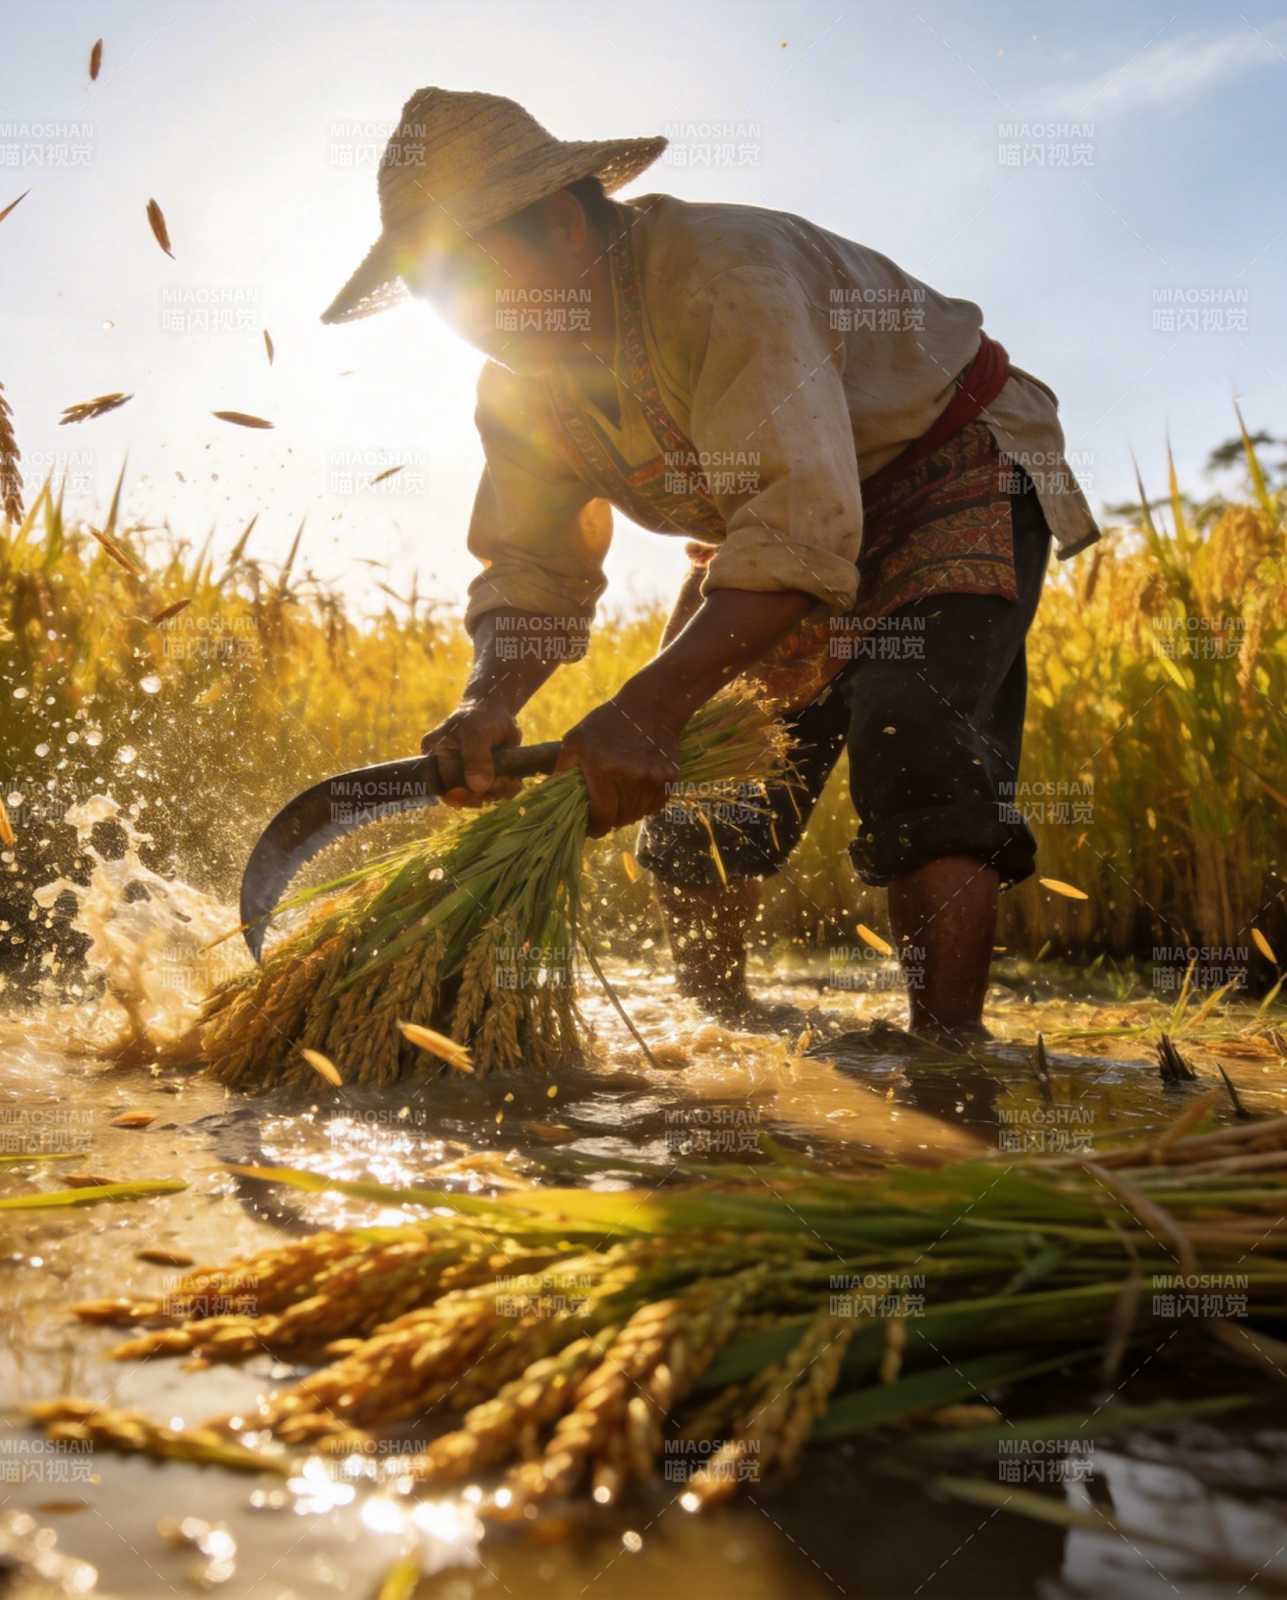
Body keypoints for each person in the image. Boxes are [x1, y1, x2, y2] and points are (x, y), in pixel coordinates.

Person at [320, 88, 1099, 1047]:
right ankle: (719, 1028)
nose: (462, 321)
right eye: (435, 293)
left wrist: (648, 704)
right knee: (698, 789)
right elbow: (533, 565)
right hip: (772, 529)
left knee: (917, 741)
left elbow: (795, 514)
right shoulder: (519, 384)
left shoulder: (724, 272)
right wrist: (491, 700)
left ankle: (948, 1062)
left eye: (468, 280)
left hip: (941, 469)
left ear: (563, 227)